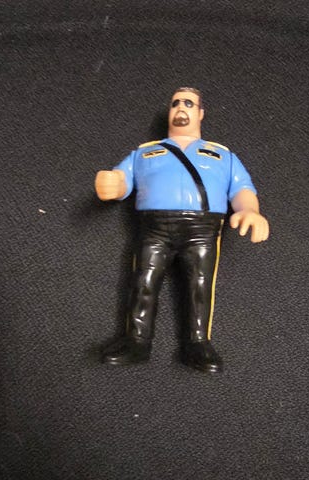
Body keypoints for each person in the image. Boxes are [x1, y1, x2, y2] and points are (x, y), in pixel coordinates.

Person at [95, 87, 269, 373]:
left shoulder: (222, 155)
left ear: (200, 113)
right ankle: (136, 340)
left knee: (200, 284)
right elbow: (123, 179)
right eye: (175, 103)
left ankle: (198, 343)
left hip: (203, 229)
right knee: (144, 281)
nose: (180, 108)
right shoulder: (145, 152)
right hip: (154, 227)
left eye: (188, 103)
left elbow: (241, 188)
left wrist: (249, 210)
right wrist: (114, 184)